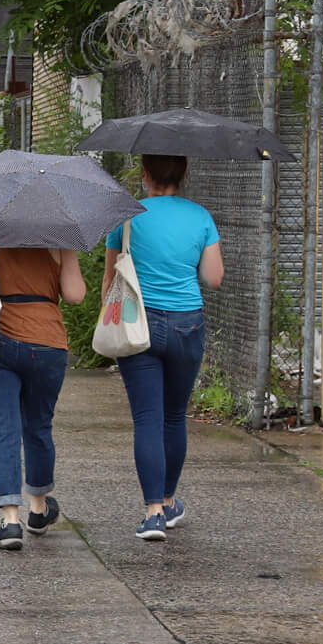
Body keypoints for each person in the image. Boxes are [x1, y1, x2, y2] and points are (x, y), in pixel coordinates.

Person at [102, 153, 223, 543]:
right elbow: (214, 278)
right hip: (188, 323)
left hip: (140, 324)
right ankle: (170, 502)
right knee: (174, 416)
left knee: (148, 419)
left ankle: (152, 514)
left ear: (145, 174)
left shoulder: (126, 217)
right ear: (183, 175)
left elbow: (110, 282)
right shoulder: (200, 216)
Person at [0, 228, 87, 550]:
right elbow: (75, 294)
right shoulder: (59, 235)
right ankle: (38, 509)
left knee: (3, 430)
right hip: (47, 342)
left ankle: (11, 520)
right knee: (39, 426)